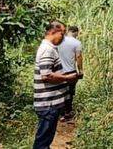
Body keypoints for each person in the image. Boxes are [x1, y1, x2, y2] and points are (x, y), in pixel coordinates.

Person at [33, 21, 79, 149]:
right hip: (48, 104)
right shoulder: (47, 50)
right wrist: (66, 78)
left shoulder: (50, 48)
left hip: (50, 103)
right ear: (54, 32)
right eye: (62, 34)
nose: (63, 38)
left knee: (46, 139)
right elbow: (46, 75)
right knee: (43, 141)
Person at [57, 25, 83, 121]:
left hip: (59, 71)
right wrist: (80, 70)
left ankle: (60, 113)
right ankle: (67, 112)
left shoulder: (59, 41)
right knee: (70, 93)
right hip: (71, 71)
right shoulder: (77, 43)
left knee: (60, 91)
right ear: (76, 32)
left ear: (68, 31)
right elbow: (78, 57)